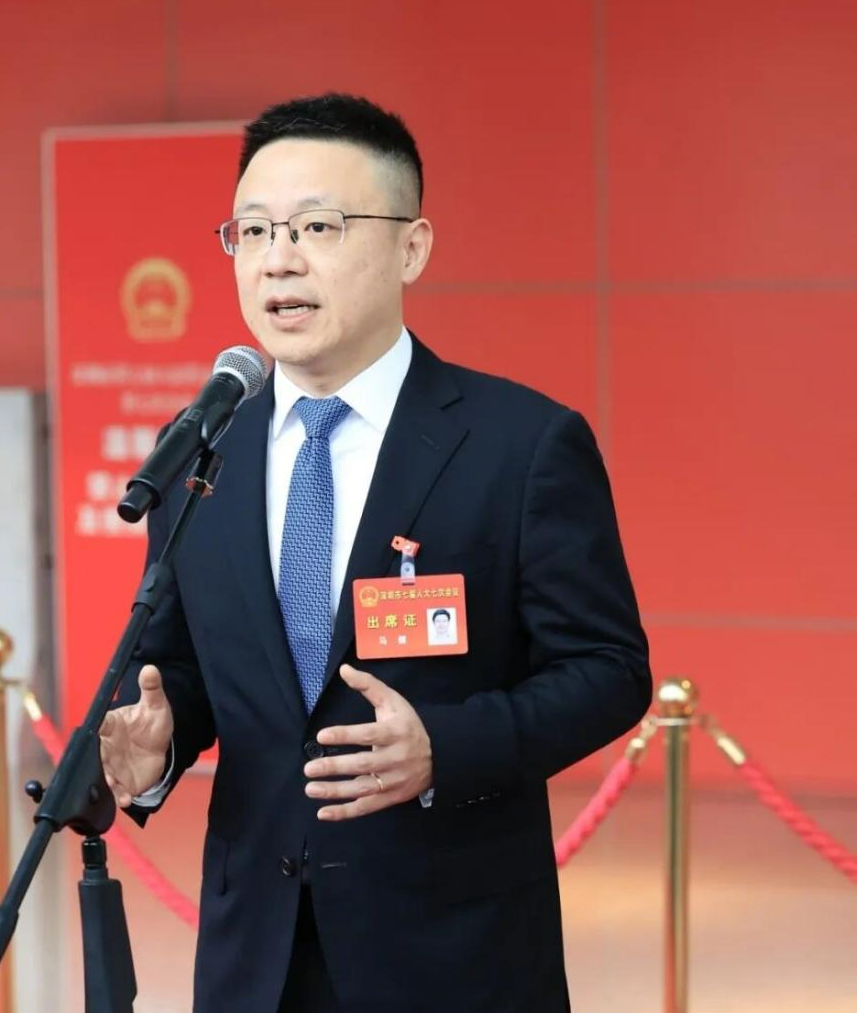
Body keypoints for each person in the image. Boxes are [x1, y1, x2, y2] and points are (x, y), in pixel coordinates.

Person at [99, 92, 652, 1013]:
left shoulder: (520, 445)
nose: (278, 259)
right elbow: (184, 668)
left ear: (411, 248)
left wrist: (446, 747)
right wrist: (155, 742)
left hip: (452, 953)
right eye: (253, 231)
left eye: (317, 226)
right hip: (255, 957)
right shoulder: (203, 451)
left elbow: (608, 670)